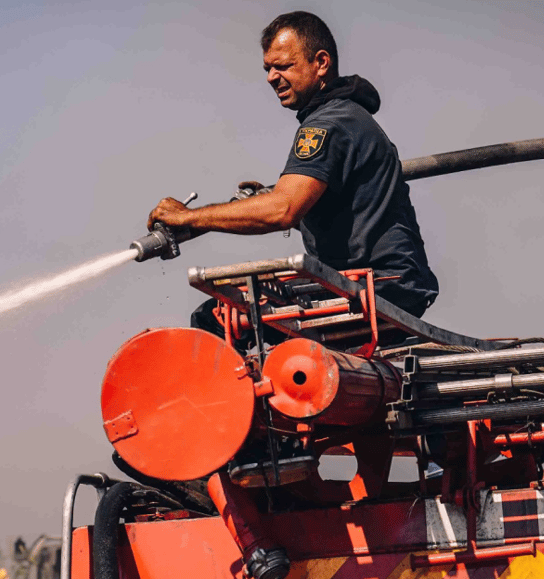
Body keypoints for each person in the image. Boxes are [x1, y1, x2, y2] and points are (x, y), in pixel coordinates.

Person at [146, 11, 439, 342]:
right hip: (396, 284)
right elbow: (347, 216)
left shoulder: (327, 125)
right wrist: (267, 198)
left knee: (220, 317)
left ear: (321, 63)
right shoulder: (348, 116)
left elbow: (282, 210)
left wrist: (189, 217)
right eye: (268, 68)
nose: (272, 77)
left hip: (378, 285)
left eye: (282, 66)